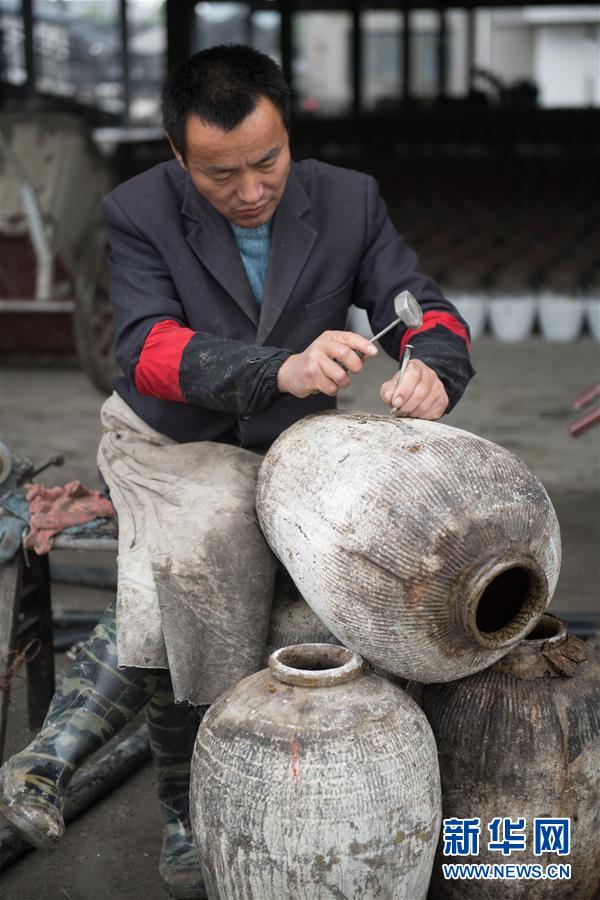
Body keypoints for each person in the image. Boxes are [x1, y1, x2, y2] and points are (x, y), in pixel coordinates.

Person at [0, 45, 474, 898]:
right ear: (178, 155)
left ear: (288, 133)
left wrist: (431, 363)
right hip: (165, 441)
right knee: (211, 533)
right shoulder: (138, 210)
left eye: (268, 161)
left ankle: (59, 759)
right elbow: (146, 349)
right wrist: (280, 368)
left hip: (287, 449)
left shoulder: (349, 199)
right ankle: (189, 808)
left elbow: (419, 306)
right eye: (222, 174)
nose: (252, 190)